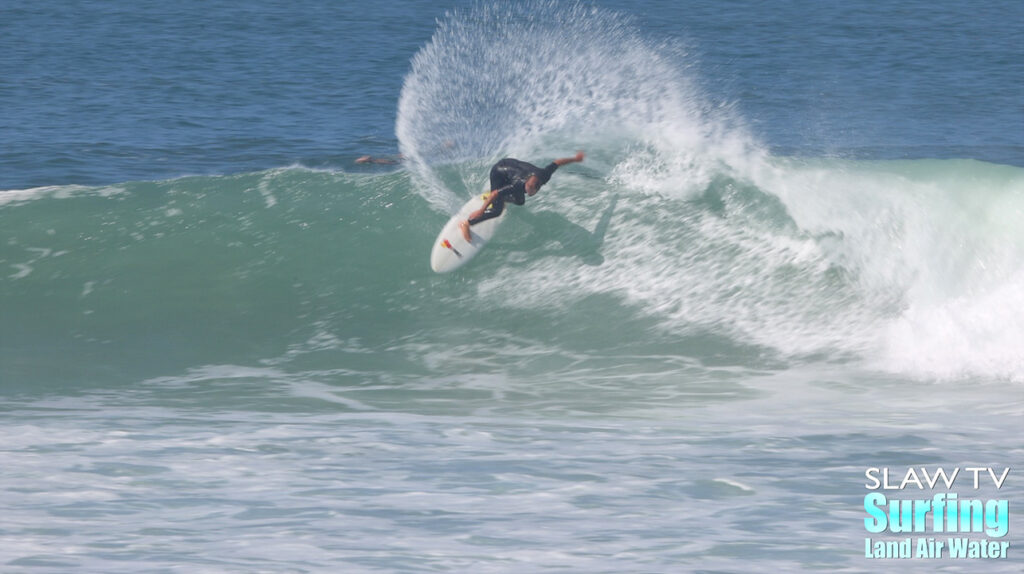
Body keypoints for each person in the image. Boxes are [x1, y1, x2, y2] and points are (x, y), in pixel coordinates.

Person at [459, 151, 585, 241]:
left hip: (511, 169)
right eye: (527, 189)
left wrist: (575, 159)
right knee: (497, 211)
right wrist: (481, 211)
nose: (529, 192)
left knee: (520, 202)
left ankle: (503, 198)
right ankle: (467, 224)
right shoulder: (518, 184)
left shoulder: (544, 175)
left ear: (538, 186)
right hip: (499, 171)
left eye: (531, 191)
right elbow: (495, 193)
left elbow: (557, 162)